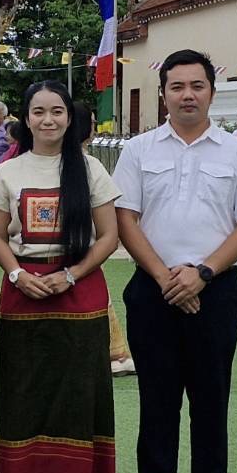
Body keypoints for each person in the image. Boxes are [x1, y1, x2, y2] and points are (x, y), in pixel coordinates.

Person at [114, 49, 237, 473]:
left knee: (210, 403)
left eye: (196, 86)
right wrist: (165, 277)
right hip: (152, 287)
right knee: (156, 403)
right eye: (177, 86)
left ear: (211, 92)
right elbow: (125, 218)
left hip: (217, 289)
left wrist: (202, 273)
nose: (187, 95)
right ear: (163, 93)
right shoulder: (139, 151)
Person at [0, 82, 120, 473]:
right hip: (23, 298)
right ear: (26, 117)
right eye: (38, 112)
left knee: (78, 400)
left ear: (68, 117)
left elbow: (108, 236)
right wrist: (19, 275)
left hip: (78, 294)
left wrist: (72, 274)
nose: (48, 120)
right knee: (29, 400)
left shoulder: (91, 170)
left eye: (56, 112)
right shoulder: (7, 171)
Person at [73, 102, 134, 377]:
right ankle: (112, 354)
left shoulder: (89, 164)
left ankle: (113, 353)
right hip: (84, 245)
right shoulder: (88, 164)